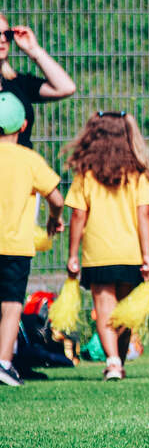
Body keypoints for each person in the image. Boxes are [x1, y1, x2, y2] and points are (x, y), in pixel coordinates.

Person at [64, 112, 149, 382]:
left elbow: (78, 216)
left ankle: (113, 362)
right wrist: (147, 254)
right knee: (125, 312)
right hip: (131, 253)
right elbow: (144, 215)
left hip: (98, 253)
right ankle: (120, 360)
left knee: (104, 309)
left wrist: (72, 254)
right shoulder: (137, 175)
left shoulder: (85, 175)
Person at [0, 93, 64, 387]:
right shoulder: (29, 160)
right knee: (11, 304)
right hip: (15, 245)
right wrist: (54, 218)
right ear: (23, 125)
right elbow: (56, 198)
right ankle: (4, 363)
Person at [0, 15, 76, 150]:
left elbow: (66, 88)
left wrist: (34, 50)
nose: (3, 39)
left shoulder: (17, 82)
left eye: (7, 34)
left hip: (20, 161)